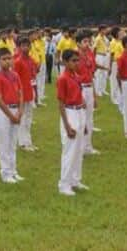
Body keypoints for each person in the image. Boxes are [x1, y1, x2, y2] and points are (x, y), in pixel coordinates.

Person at [57, 49, 89, 196]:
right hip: (70, 113)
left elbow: (80, 95)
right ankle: (64, 184)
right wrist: (67, 125)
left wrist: (85, 121)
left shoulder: (76, 76)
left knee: (79, 148)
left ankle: (75, 179)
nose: (76, 63)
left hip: (79, 111)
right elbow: (61, 103)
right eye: (73, 61)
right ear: (65, 62)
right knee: (70, 150)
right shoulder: (62, 78)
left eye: (78, 60)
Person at [0, 48, 24, 184]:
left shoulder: (15, 75)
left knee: (12, 143)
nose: (7, 61)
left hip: (15, 110)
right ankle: (5, 172)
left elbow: (21, 93)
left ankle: (13, 170)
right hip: (4, 113)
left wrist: (20, 111)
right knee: (3, 144)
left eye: (9, 58)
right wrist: (11, 115)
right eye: (4, 59)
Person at [76, 32, 99, 155]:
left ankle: (88, 146)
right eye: (84, 41)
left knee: (90, 119)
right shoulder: (75, 57)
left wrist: (94, 95)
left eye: (88, 41)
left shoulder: (89, 54)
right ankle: (80, 146)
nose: (87, 44)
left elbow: (91, 75)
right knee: (81, 118)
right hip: (81, 88)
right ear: (78, 43)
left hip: (89, 87)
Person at [14, 37, 38, 152]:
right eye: (23, 45)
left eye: (27, 45)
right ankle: (22, 142)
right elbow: (15, 79)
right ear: (20, 47)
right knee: (23, 118)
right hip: (21, 94)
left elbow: (34, 76)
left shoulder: (31, 60)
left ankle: (28, 141)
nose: (26, 48)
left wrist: (35, 92)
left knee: (29, 118)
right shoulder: (18, 62)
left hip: (30, 92)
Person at [93, 25, 110, 97]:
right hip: (99, 56)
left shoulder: (105, 38)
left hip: (105, 56)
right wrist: (93, 58)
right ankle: (97, 90)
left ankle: (103, 89)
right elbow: (94, 48)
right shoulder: (98, 38)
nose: (105, 31)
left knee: (104, 74)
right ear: (100, 30)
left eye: (106, 30)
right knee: (99, 74)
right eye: (104, 30)